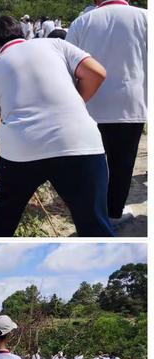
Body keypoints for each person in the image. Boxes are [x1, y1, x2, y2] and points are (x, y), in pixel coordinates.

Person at [0, 15, 114, 237]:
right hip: (79, 143)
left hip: (22, 151)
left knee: (2, 219)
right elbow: (97, 73)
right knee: (94, 223)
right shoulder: (55, 44)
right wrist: (75, 104)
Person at [66, 1, 147, 227]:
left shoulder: (82, 21)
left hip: (90, 103)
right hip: (133, 103)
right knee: (123, 162)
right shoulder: (145, 17)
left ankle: (90, 211)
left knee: (93, 162)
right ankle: (113, 213)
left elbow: (67, 66)